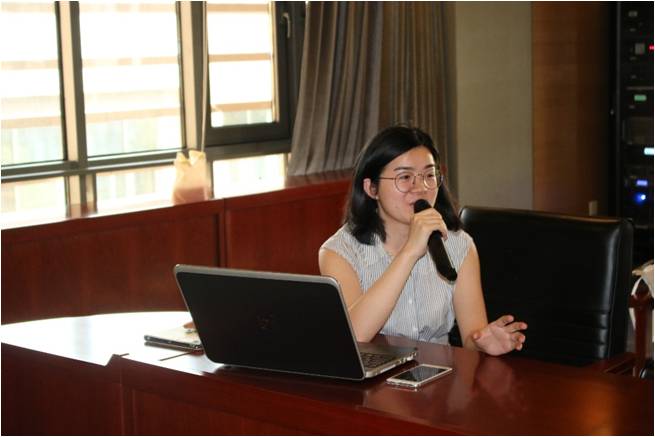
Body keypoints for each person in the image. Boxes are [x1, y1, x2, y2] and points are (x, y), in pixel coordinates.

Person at [319, 126, 527, 355]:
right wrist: (410, 252)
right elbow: (355, 336)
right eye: (405, 177)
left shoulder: (459, 245)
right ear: (371, 188)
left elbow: (472, 337)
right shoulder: (339, 252)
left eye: (429, 176)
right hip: (377, 373)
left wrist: (482, 343)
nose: (420, 188)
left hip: (441, 372)